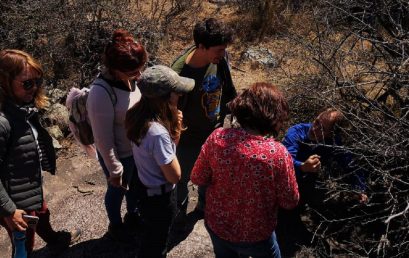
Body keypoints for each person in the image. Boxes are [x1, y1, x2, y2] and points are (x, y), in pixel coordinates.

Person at [191, 82, 300, 258]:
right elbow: (290, 200)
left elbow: (197, 177)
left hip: (218, 226)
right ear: (273, 116)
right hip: (256, 235)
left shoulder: (217, 138)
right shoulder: (277, 154)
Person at [0, 49, 81, 257]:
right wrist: (9, 211)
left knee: (42, 214)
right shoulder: (3, 122)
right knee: (23, 245)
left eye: (37, 81)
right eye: (27, 83)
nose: (34, 88)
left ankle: (55, 240)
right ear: (5, 82)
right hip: (13, 200)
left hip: (28, 186)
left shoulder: (22, 109)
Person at [125, 65, 194, 258]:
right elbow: (174, 175)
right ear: (164, 98)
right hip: (160, 199)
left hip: (144, 188)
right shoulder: (158, 133)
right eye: (176, 93)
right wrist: (176, 131)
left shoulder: (135, 115)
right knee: (157, 243)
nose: (180, 96)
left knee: (151, 235)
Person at [171, 17, 237, 219]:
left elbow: (227, 88)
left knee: (210, 174)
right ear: (201, 46)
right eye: (218, 50)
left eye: (224, 49)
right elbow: (170, 112)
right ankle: (179, 213)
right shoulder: (179, 74)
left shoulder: (218, 59)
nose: (223, 54)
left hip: (213, 132)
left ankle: (203, 206)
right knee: (181, 178)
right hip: (188, 137)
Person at [86, 29, 148, 240]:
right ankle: (116, 225)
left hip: (136, 149)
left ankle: (133, 214)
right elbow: (102, 138)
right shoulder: (100, 93)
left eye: (141, 69)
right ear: (115, 69)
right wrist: (115, 169)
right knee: (117, 191)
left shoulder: (130, 78)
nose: (139, 76)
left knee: (136, 188)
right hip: (119, 155)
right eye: (133, 73)